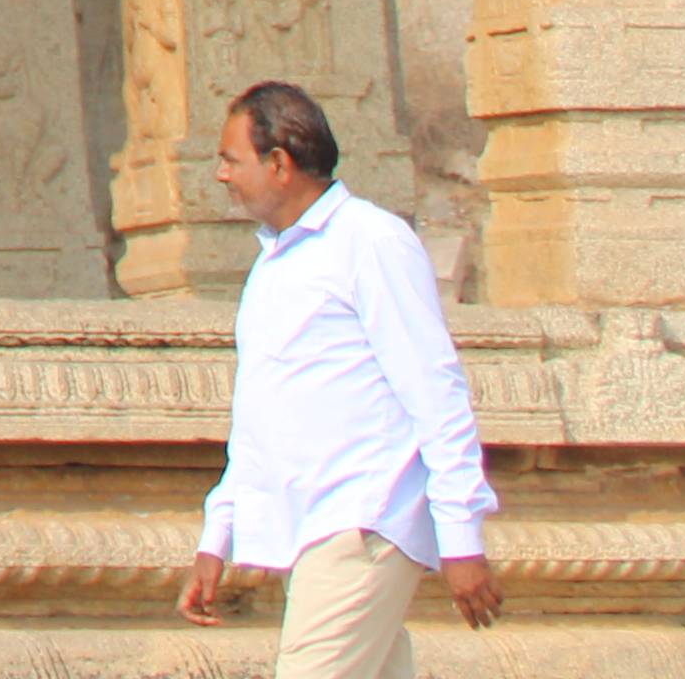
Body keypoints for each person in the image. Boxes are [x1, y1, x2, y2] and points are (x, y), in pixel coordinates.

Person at [180, 77, 499, 674]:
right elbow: (261, 415)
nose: (222, 175)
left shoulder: (370, 241)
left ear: (279, 163)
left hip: (362, 524)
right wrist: (217, 534)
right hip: (314, 531)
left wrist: (460, 536)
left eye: (231, 159)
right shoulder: (274, 265)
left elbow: (435, 391)